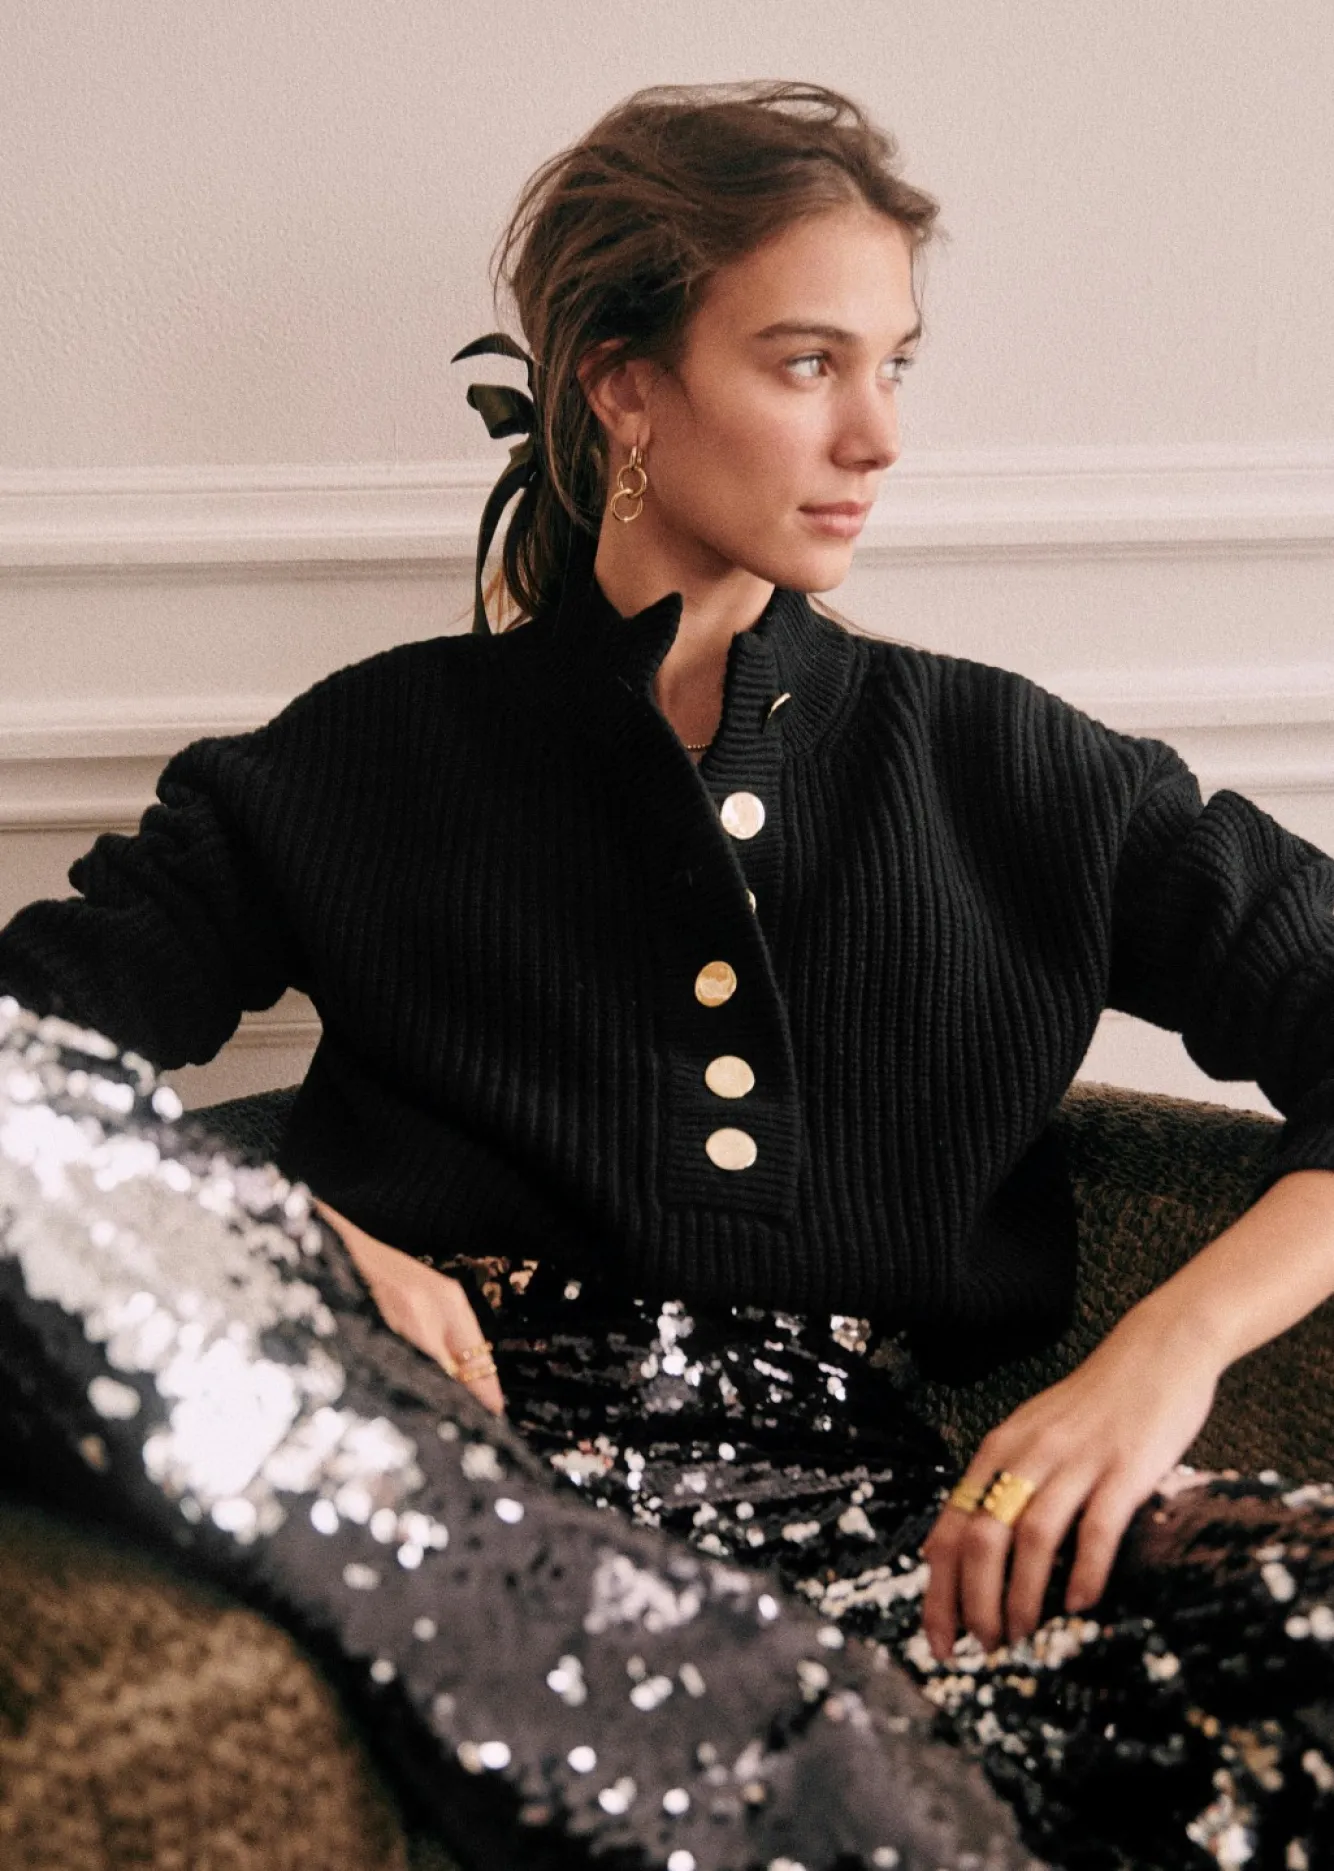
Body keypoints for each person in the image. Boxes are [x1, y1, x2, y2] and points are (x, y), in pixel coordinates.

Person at [2, 77, 1334, 1868]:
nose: (876, 435)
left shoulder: (1017, 772)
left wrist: (1161, 1354)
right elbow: (21, 1065)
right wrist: (298, 1244)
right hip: (447, 1504)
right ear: (621, 386)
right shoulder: (361, 760)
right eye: (806, 364)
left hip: (887, 1548)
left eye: (894, 365)